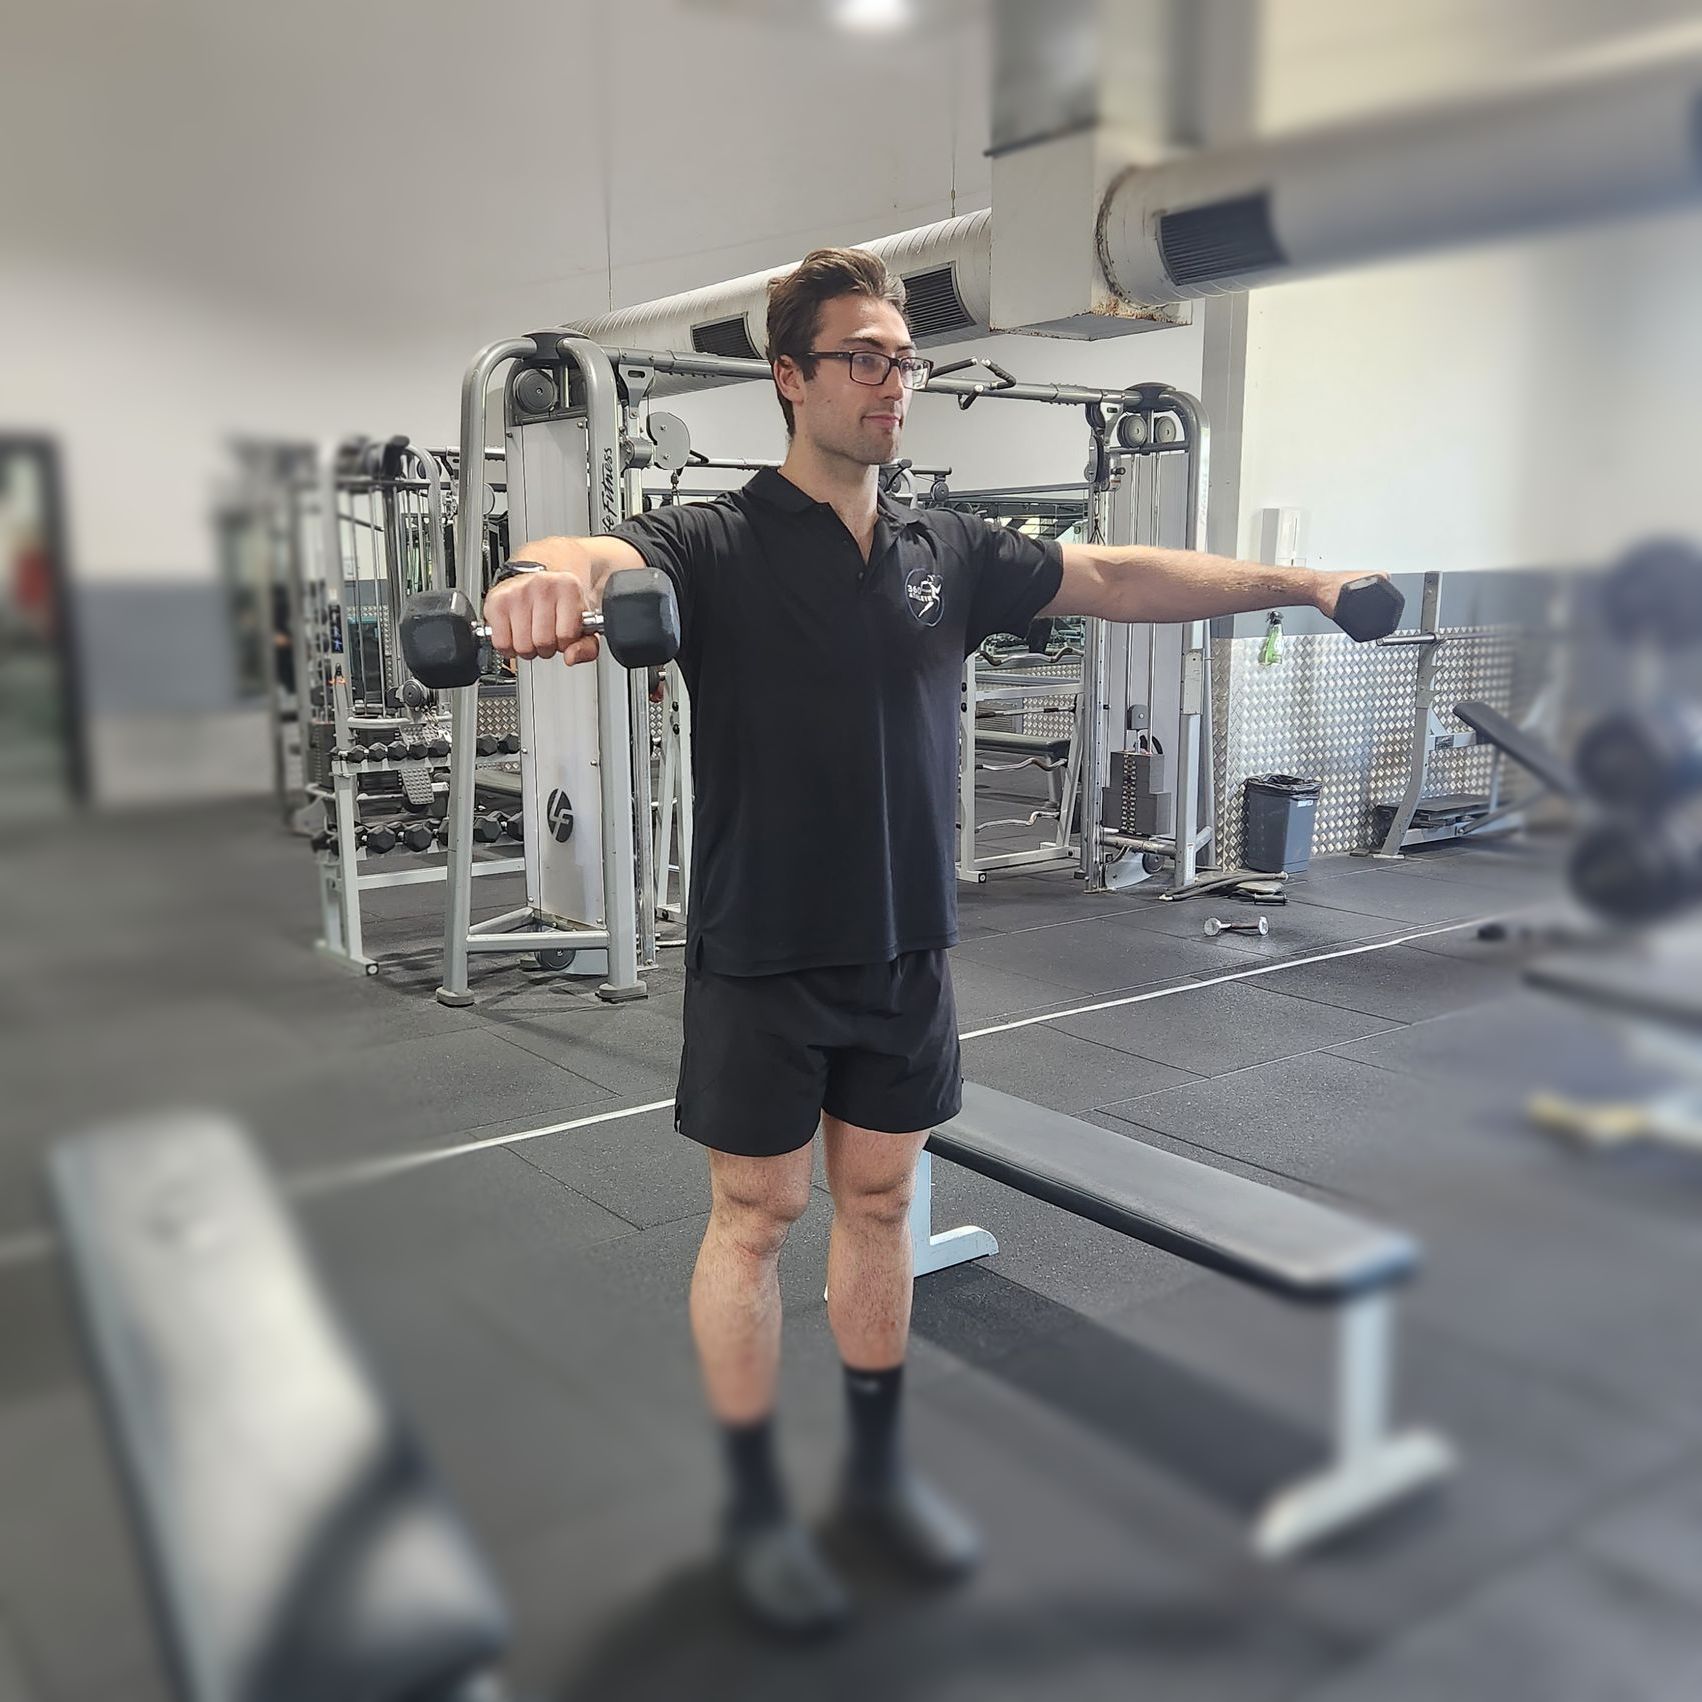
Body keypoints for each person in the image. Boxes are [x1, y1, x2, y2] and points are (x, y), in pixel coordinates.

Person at [481, 248, 1392, 1633]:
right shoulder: (713, 543)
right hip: (762, 948)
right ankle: (751, 1509)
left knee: (878, 1205)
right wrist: (531, 573)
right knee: (755, 1217)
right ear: (789, 379)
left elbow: (1120, 573)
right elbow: (592, 554)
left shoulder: (945, 551)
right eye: (861, 357)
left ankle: (872, 1482)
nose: (891, 382)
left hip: (906, 945)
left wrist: (1300, 580)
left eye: (903, 360)